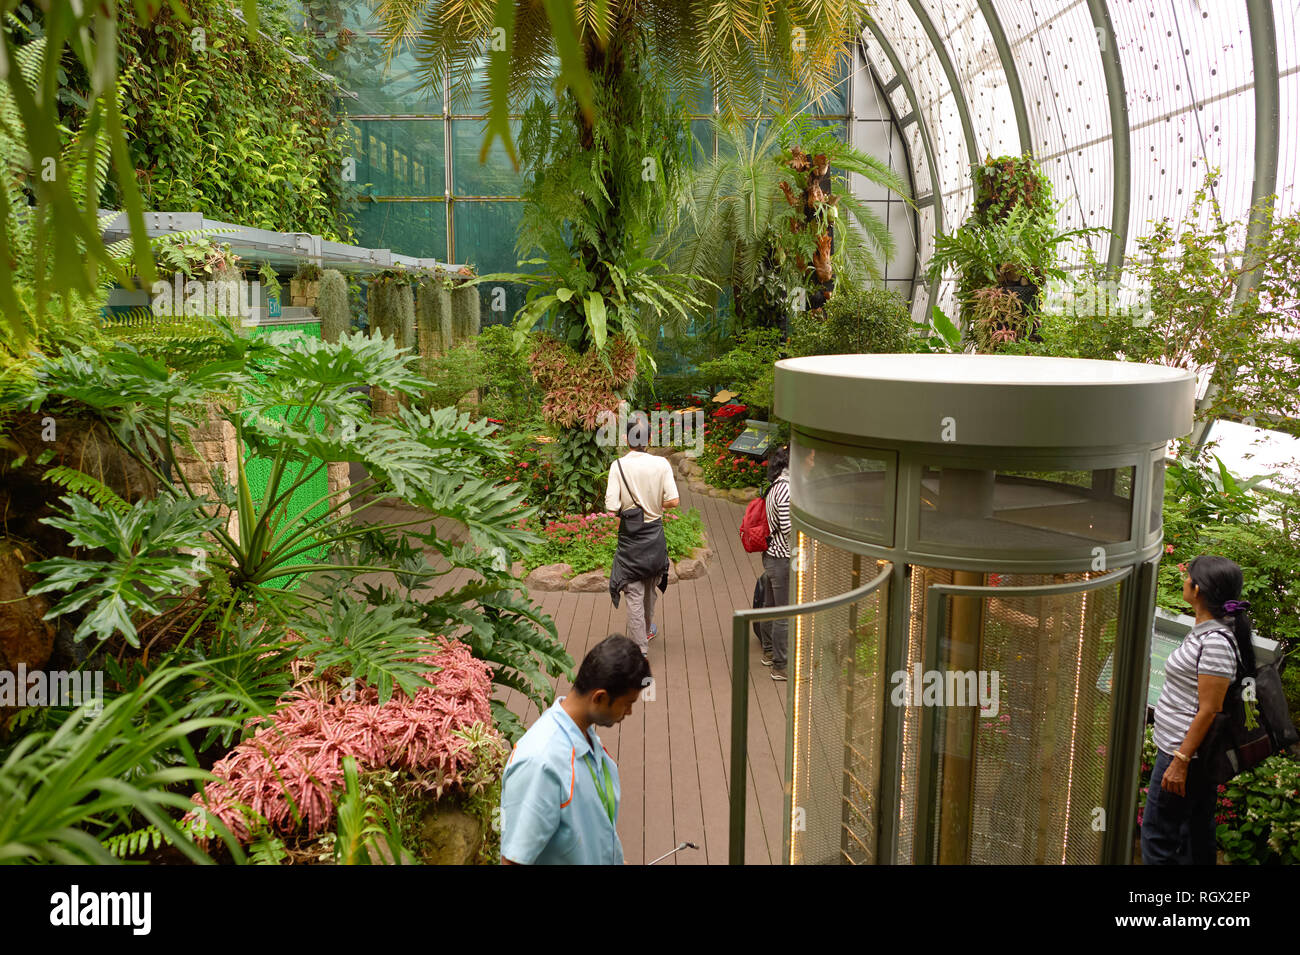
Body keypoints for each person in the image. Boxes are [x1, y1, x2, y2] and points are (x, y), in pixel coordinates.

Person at [1141, 555, 1255, 865]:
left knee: (1157, 839)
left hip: (1183, 754)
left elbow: (1209, 709)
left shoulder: (1216, 641)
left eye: (1187, 576)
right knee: (1196, 835)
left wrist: (1179, 761)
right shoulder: (1207, 629)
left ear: (1198, 589)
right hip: (1188, 754)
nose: (1183, 580)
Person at [500, 635, 651, 865]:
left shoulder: (585, 736)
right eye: (628, 703)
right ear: (599, 697)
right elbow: (514, 861)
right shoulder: (540, 763)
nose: (629, 712)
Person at [605, 413, 679, 656]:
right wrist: (655, 505)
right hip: (655, 535)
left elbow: (611, 507)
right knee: (649, 586)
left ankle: (640, 651)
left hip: (631, 538)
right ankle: (646, 631)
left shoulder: (618, 467)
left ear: (626, 438)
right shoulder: (661, 465)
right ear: (648, 438)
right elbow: (674, 501)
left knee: (634, 592)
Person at [759, 445, 792, 681]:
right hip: (782, 557)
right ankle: (780, 666)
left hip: (771, 554)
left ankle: (769, 652)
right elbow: (789, 528)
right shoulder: (786, 490)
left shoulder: (775, 486)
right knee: (784, 613)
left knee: (770, 606)